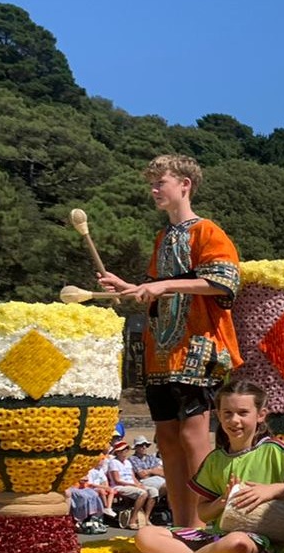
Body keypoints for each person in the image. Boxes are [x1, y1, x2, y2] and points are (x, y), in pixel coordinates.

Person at [99, 154, 243, 531]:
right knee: (166, 436)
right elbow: (153, 291)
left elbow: (224, 282)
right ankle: (182, 526)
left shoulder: (207, 231)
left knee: (195, 436)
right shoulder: (162, 238)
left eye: (160, 182)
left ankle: (204, 524)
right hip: (160, 350)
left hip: (198, 346)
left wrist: (163, 284)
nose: (153, 190)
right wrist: (128, 287)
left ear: (185, 185)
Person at [118, 380, 284, 553]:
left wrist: (271, 490)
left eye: (243, 413)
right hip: (219, 537)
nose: (235, 420)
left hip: (262, 541)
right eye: (228, 413)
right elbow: (204, 513)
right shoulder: (215, 460)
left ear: (261, 415)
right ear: (219, 415)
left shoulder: (274, 450)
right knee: (146, 535)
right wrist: (222, 502)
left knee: (237, 543)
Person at [105, 440, 155, 529]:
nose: (125, 451)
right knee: (143, 493)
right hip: (120, 486)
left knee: (153, 491)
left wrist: (139, 484)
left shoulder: (128, 462)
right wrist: (134, 486)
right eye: (123, 450)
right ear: (118, 452)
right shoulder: (113, 463)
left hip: (131, 484)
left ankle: (146, 518)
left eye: (126, 449)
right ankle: (133, 519)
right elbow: (117, 480)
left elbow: (133, 477)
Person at [67, 452, 114, 534]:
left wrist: (83, 480)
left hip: (83, 486)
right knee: (83, 496)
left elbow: (86, 479)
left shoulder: (83, 467)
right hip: (72, 486)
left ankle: (94, 517)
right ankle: (80, 519)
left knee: (94, 494)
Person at [129, 436, 167, 501]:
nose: (144, 447)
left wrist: (149, 471)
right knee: (168, 486)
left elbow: (163, 472)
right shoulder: (133, 459)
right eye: (141, 445)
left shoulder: (151, 457)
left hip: (157, 479)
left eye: (146, 445)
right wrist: (155, 471)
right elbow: (142, 475)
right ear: (136, 447)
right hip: (144, 482)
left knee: (173, 484)